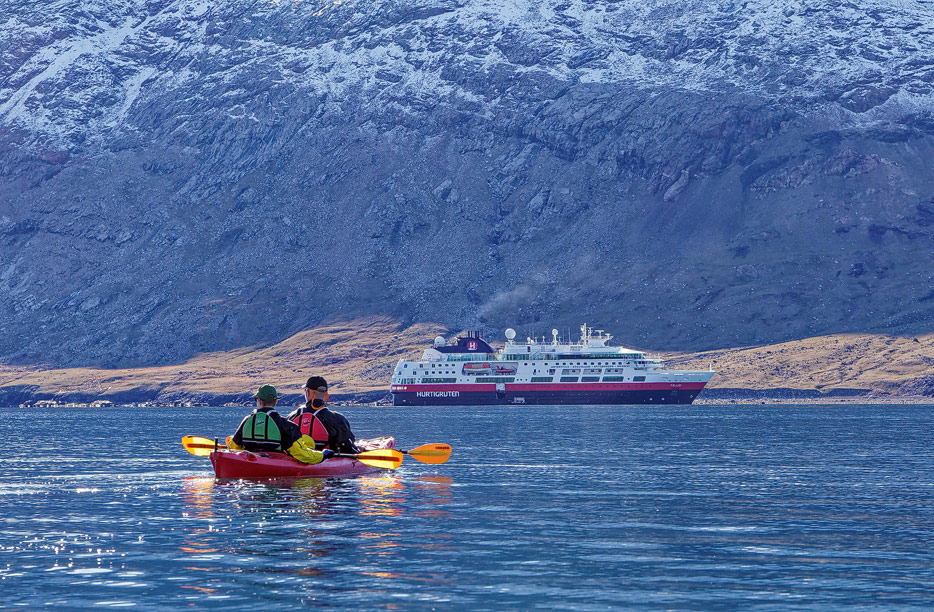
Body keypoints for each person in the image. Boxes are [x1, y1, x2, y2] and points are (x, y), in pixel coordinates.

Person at [229, 384, 332, 464]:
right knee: (308, 441)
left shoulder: (246, 421)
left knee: (307, 440)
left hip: (251, 461)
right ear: (276, 402)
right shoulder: (286, 425)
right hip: (276, 462)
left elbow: (233, 448)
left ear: (259, 400)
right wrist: (322, 455)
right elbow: (301, 454)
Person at [288, 376, 361, 454]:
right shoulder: (337, 418)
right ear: (326, 394)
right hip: (326, 459)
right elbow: (347, 446)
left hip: (296, 457)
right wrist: (359, 451)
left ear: (308, 392)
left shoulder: (292, 416)